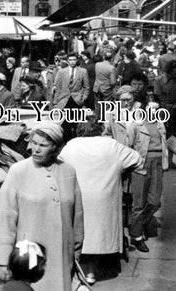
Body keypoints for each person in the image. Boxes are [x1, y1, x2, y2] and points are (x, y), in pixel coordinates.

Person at [0, 122, 84, 291]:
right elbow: (4, 219)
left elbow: (77, 216)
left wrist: (75, 253)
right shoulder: (18, 171)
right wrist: (3, 261)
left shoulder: (68, 171)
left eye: (43, 145)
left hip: (62, 257)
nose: (36, 149)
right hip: (29, 259)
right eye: (34, 143)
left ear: (56, 147)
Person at [60, 116, 144, 284]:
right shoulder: (111, 145)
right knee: (98, 233)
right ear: (100, 128)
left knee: (81, 231)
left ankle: (81, 267)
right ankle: (93, 268)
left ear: (79, 128)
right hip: (104, 198)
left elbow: (58, 166)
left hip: (79, 195)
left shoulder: (71, 146)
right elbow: (138, 159)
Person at [124, 102, 168, 252]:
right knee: (138, 204)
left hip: (157, 164)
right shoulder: (136, 125)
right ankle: (137, 237)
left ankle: (139, 226)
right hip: (141, 165)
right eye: (150, 109)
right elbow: (128, 145)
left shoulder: (160, 124)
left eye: (156, 109)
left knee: (155, 201)